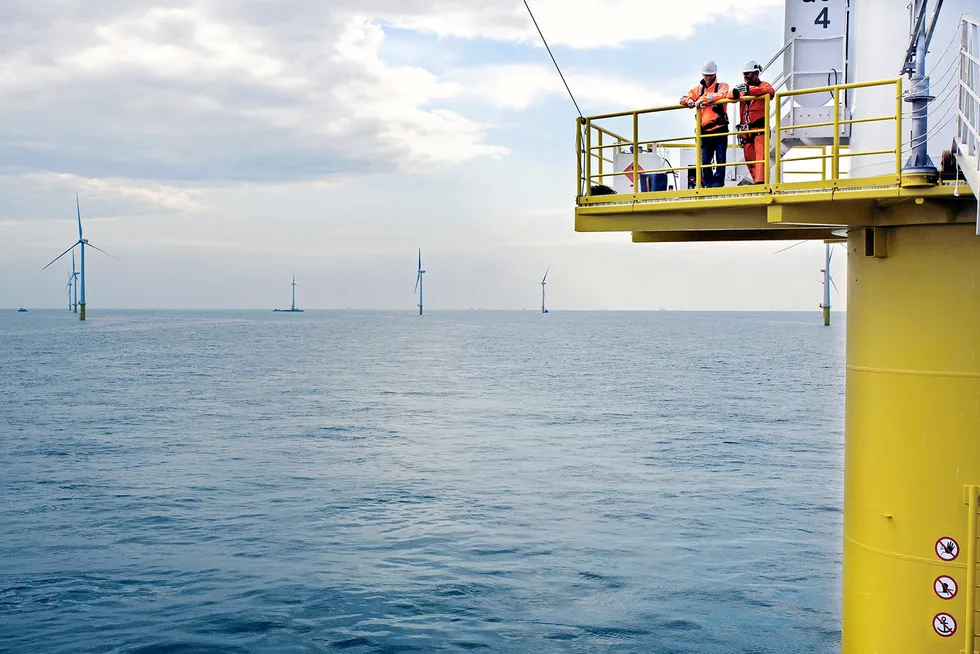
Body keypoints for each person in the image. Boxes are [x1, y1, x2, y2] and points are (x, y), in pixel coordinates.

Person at [679, 60, 731, 188]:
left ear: (714, 74)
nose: (707, 78)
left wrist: (702, 99)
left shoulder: (722, 86)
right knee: (705, 160)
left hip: (720, 129)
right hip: (705, 131)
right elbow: (682, 99)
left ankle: (718, 183)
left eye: (710, 75)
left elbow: (721, 95)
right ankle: (708, 183)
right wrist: (690, 100)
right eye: (705, 75)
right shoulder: (698, 89)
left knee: (720, 159)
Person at [730, 61, 776, 184]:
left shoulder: (763, 86)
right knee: (749, 158)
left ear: (756, 74)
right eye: (744, 74)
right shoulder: (742, 87)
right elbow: (731, 96)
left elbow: (770, 92)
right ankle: (757, 181)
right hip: (746, 131)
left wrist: (750, 91)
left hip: (759, 129)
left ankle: (761, 183)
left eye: (748, 74)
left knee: (761, 158)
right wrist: (734, 92)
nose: (745, 77)